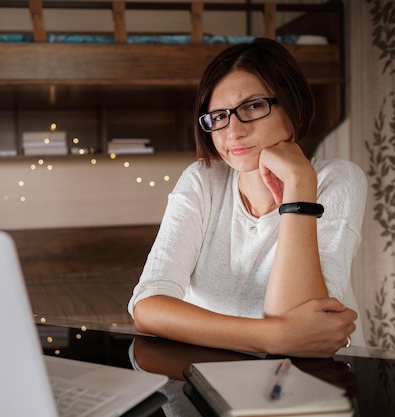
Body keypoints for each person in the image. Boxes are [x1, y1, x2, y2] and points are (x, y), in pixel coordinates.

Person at [127, 38, 367, 358]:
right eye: (218, 117)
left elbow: (299, 331)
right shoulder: (202, 181)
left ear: (292, 104)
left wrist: (299, 183)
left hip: (315, 386)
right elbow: (146, 307)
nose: (232, 132)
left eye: (252, 106)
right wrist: (272, 337)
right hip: (212, 380)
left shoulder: (336, 180)